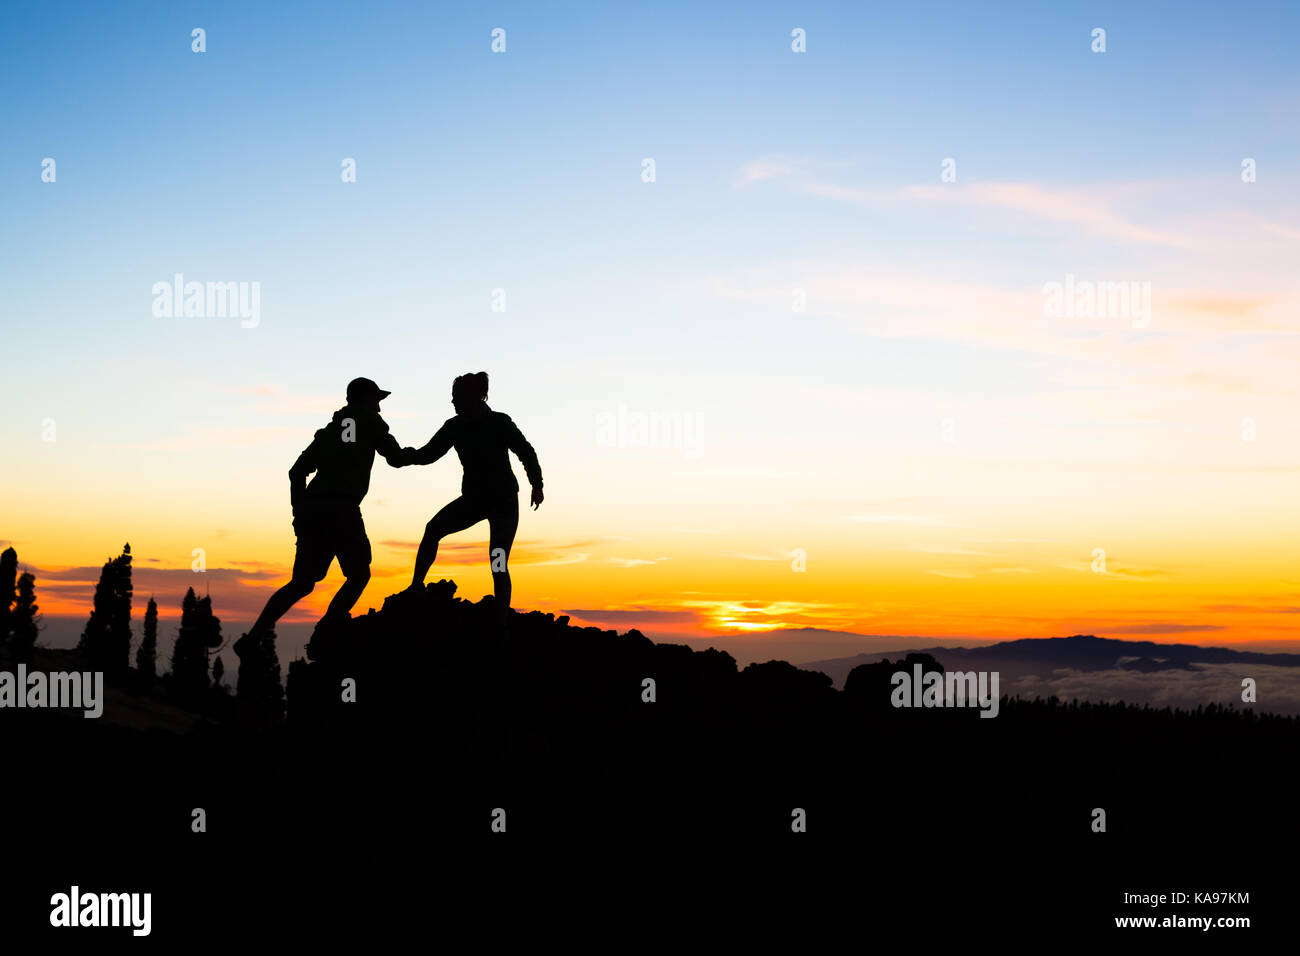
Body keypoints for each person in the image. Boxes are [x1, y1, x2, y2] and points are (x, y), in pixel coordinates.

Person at [233, 377, 408, 658]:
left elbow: (296, 473)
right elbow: (396, 457)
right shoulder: (370, 422)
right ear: (364, 400)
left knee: (301, 583)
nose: (379, 408)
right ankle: (325, 631)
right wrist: (428, 452)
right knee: (359, 574)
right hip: (342, 509)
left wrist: (298, 513)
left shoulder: (329, 432)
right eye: (377, 401)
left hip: (313, 511)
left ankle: (253, 638)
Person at [400, 371, 543, 630]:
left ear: (471, 398)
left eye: (456, 397)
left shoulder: (499, 422)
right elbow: (429, 454)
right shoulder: (454, 426)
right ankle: (415, 587)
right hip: (475, 500)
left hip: (503, 502)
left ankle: (501, 624)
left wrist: (537, 484)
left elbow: (525, 450)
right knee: (433, 529)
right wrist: (404, 457)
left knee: (498, 561)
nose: (452, 402)